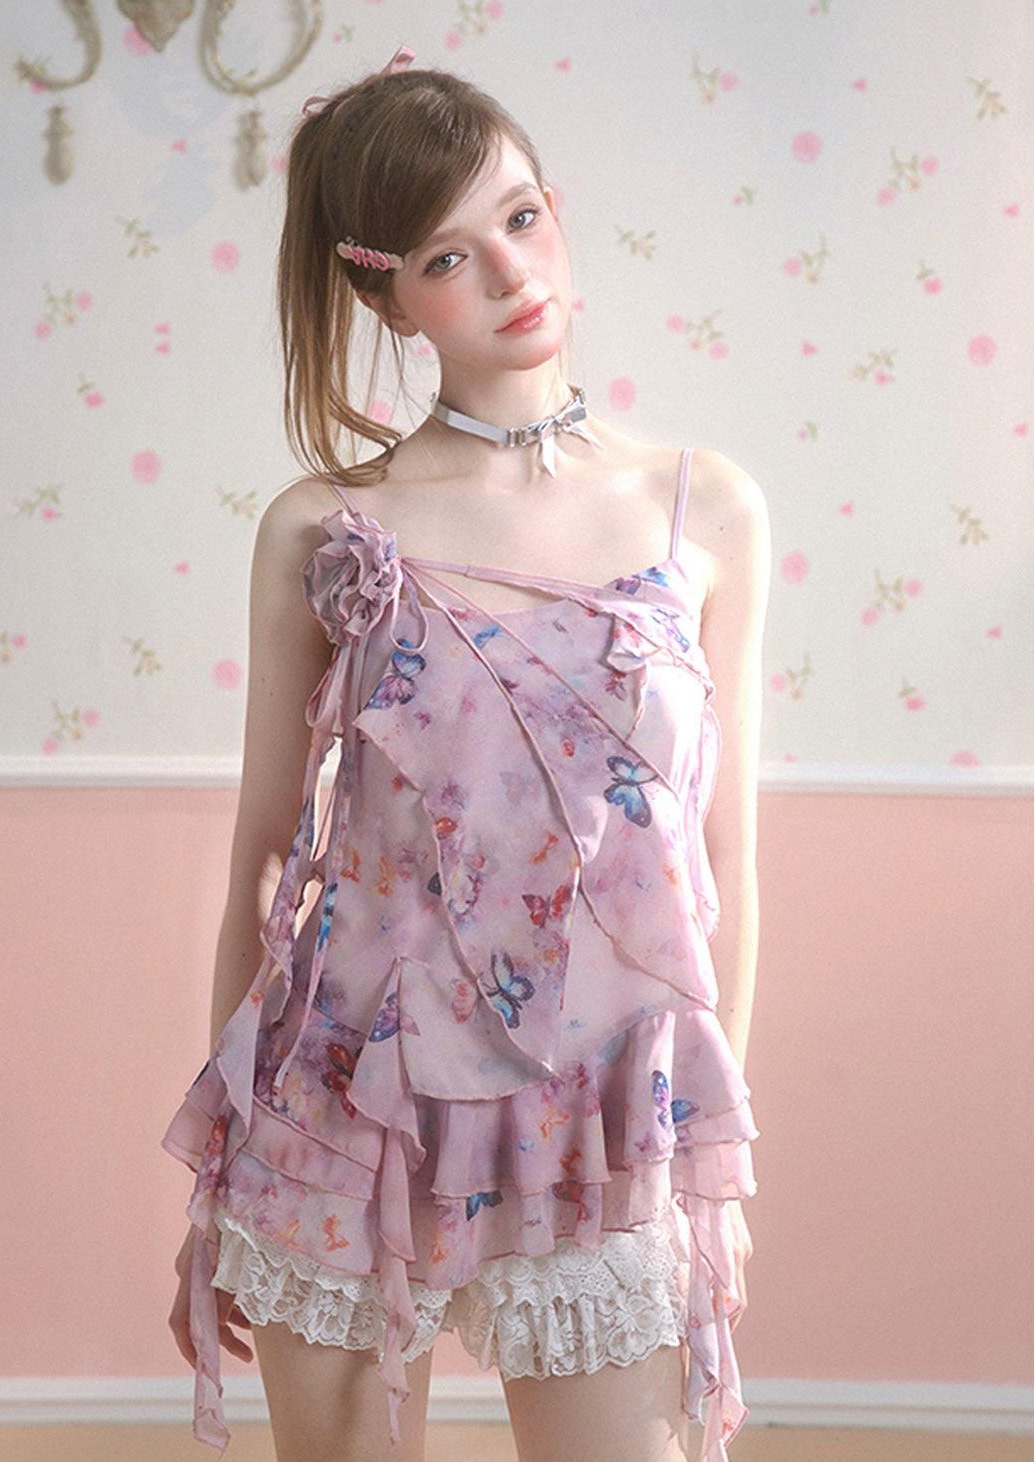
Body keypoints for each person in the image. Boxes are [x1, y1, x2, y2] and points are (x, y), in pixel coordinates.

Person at [164, 41, 768, 1462]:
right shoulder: (325, 527)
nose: (510, 273)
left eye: (520, 217)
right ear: (385, 296)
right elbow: (265, 858)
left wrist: (713, 1156)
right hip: (344, 1098)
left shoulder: (704, 509)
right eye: (448, 257)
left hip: (600, 1107)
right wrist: (225, 1153)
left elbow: (722, 861)